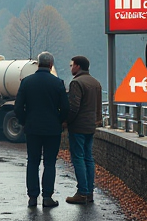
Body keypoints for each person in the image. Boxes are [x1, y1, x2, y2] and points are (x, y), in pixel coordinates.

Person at [14, 51, 69, 208]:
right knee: (49, 163)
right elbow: (65, 108)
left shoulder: (26, 82)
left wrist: (25, 121)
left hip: (32, 129)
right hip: (52, 130)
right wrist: (58, 121)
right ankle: (47, 197)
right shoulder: (58, 83)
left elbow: (18, 107)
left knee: (32, 162)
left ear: (38, 64)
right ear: (51, 65)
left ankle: (32, 197)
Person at [65, 55, 102, 205]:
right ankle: (89, 192)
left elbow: (74, 107)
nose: (71, 68)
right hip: (90, 126)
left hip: (78, 126)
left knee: (78, 158)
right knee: (88, 158)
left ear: (78, 66)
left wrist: (66, 121)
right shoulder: (96, 83)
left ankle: (82, 192)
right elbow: (98, 106)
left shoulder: (76, 83)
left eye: (72, 65)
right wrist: (97, 121)